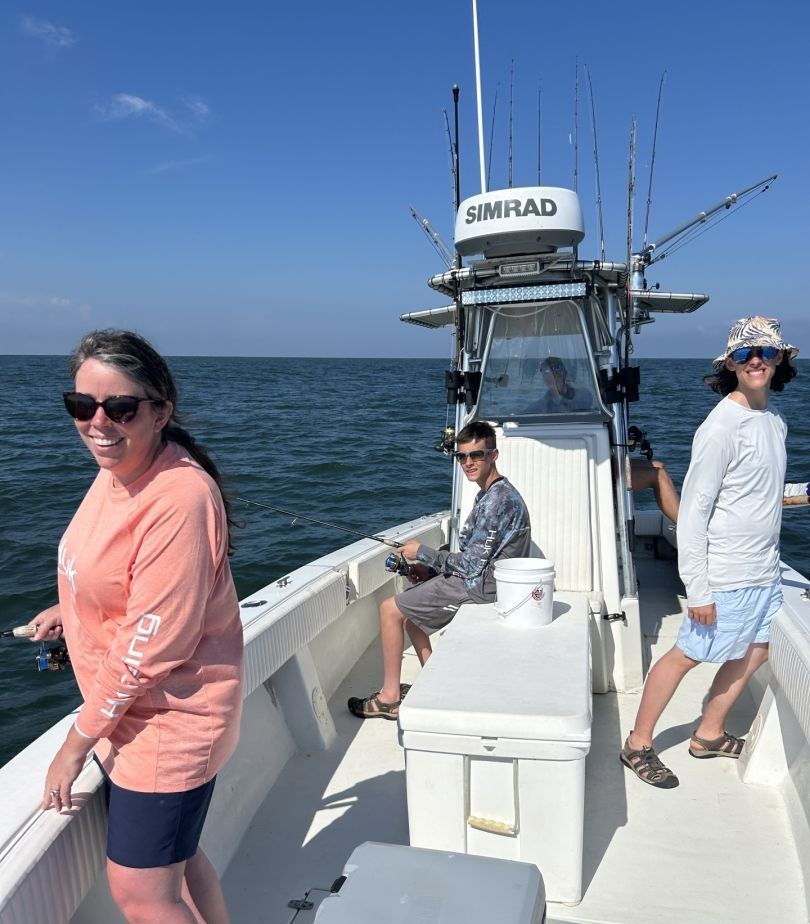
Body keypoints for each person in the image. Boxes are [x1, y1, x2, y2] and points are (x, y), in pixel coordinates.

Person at [30, 329, 244, 923]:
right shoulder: (117, 468)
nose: (98, 423)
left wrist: (73, 749)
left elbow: (148, 649)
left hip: (168, 725)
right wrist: (67, 608)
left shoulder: (178, 498)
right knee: (178, 858)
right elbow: (118, 574)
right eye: (82, 406)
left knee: (141, 893)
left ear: (159, 410)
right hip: (133, 717)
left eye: (119, 407)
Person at [621, 316, 799, 789]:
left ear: (780, 359)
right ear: (732, 366)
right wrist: (698, 589)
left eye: (765, 352)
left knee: (758, 651)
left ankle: (709, 732)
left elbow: (763, 491)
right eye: (745, 355)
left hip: (764, 570)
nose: (756, 360)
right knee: (686, 654)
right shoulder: (721, 426)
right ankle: (638, 742)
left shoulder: (773, 420)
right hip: (727, 572)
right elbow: (694, 515)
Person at [348, 421, 531, 720]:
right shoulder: (493, 493)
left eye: (477, 455)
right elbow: (478, 557)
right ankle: (437, 684)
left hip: (482, 588)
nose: (468, 463)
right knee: (413, 621)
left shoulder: (496, 502)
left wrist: (421, 552)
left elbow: (472, 567)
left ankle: (389, 698)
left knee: (389, 610)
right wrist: (431, 571)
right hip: (486, 581)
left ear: (494, 455)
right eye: (462, 457)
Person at [524, 355, 596, 414]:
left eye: (557, 368)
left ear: (564, 372)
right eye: (546, 371)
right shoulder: (538, 408)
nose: (553, 374)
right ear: (544, 379)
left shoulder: (583, 396)